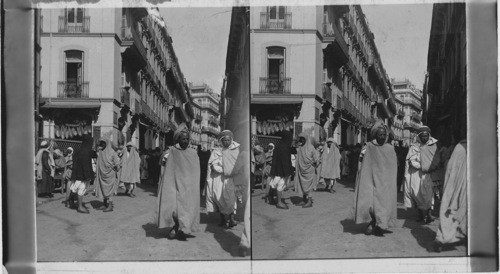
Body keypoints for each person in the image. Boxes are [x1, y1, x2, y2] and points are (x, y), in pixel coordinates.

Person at [351, 121, 397, 236]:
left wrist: (389, 181)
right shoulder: (368, 147)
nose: (382, 137)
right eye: (379, 134)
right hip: (370, 180)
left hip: (385, 183)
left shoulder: (390, 149)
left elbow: (393, 167)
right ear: (375, 135)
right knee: (370, 202)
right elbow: (362, 162)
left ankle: (380, 224)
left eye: (383, 135)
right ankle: (372, 222)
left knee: (383, 203)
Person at [154, 125, 200, 240]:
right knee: (173, 208)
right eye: (183, 139)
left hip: (188, 187)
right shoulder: (171, 151)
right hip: (173, 184)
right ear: (178, 139)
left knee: (186, 207)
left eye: (187, 139)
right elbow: (163, 166)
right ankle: (176, 226)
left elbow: (196, 172)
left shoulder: (193, 153)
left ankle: (181, 229)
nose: (186, 141)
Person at [403, 126, 442, 223]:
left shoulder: (434, 146)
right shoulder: (414, 147)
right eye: (423, 136)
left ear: (429, 136)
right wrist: (421, 166)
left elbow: (436, 159)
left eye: (426, 136)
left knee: (429, 194)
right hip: (417, 174)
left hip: (429, 175)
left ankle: (429, 215)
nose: (425, 138)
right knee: (417, 193)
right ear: (419, 137)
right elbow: (411, 160)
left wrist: (429, 166)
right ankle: (420, 215)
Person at [434, 140, 467, 252]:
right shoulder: (460, 148)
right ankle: (442, 238)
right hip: (455, 187)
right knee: (450, 209)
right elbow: (450, 173)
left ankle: (460, 236)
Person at [206, 130, 240, 228]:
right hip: (219, 178)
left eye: (228, 140)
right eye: (224, 140)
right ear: (221, 141)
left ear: (231, 140)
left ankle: (232, 218)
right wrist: (223, 170)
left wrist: (231, 170)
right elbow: (213, 165)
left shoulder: (235, 150)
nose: (226, 142)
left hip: (230, 179)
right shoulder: (216, 151)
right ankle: (222, 219)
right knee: (219, 197)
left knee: (231, 197)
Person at [267, 131, 294, 209]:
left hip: (276, 169)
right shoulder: (285, 147)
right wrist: (288, 171)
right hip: (282, 170)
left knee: (274, 183)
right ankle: (279, 202)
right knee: (280, 185)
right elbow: (285, 161)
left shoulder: (279, 144)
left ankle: (270, 197)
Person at [69, 134, 95, 214]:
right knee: (81, 189)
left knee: (74, 187)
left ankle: (71, 201)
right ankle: (80, 206)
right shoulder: (86, 151)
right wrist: (88, 176)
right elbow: (86, 165)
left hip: (76, 173)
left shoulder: (77, 150)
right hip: (83, 174)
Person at [294, 130, 320, 208]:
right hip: (301, 170)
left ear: (306, 139)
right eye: (300, 138)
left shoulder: (311, 148)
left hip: (309, 171)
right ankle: (304, 200)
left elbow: (317, 158)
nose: (301, 140)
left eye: (303, 138)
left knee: (309, 186)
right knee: (302, 185)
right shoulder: (300, 148)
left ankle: (309, 201)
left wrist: (314, 162)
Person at [94, 139, 121, 212]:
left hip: (110, 175)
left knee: (110, 189)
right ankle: (104, 204)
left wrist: (116, 166)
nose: (102, 144)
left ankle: (110, 205)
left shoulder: (112, 152)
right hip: (102, 175)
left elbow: (117, 164)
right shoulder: (101, 152)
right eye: (101, 143)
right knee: (103, 188)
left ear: (107, 144)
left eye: (103, 143)